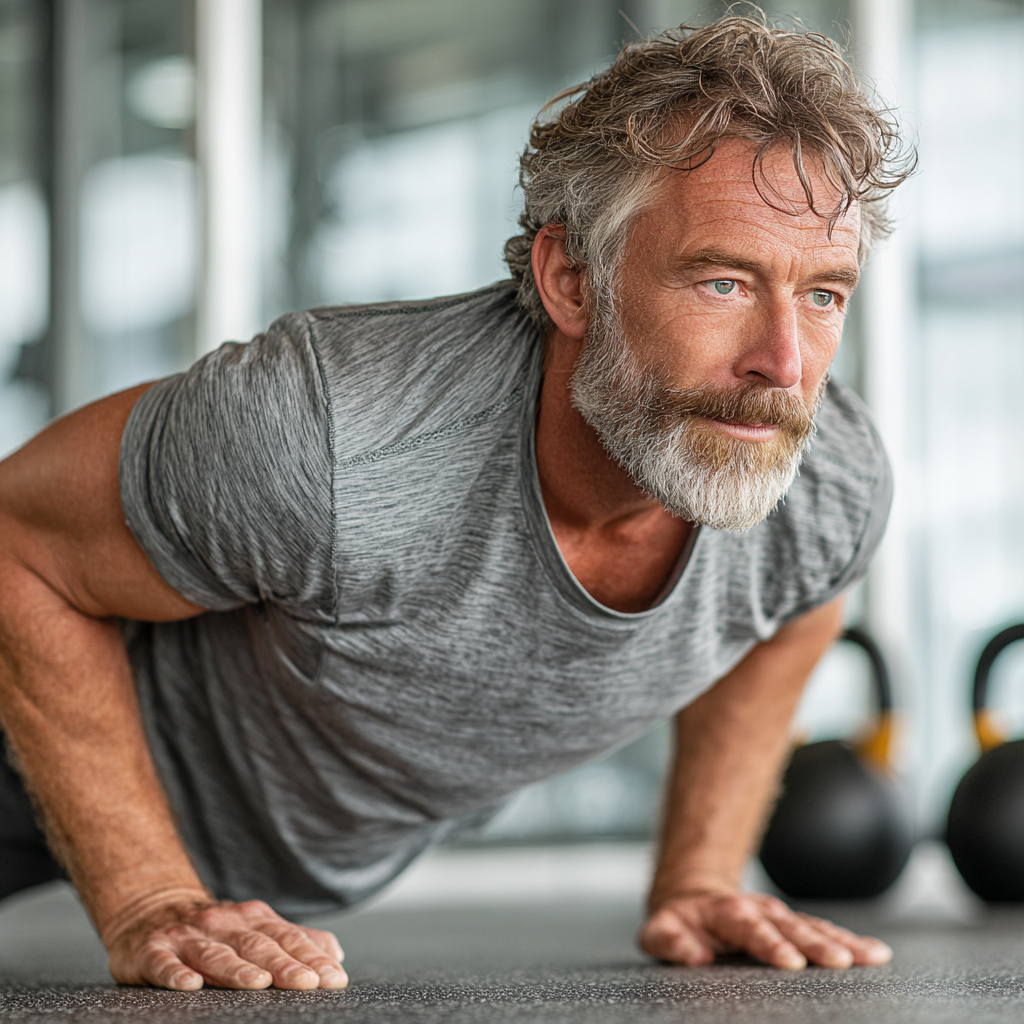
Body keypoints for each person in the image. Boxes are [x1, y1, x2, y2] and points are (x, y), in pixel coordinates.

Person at [0, 15, 912, 991]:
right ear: (571, 278)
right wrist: (148, 894)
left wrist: (696, 873)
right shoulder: (331, 434)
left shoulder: (824, 485)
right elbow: (18, 540)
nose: (783, 362)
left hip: (241, 851)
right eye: (724, 281)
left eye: (823, 294)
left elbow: (803, 600)